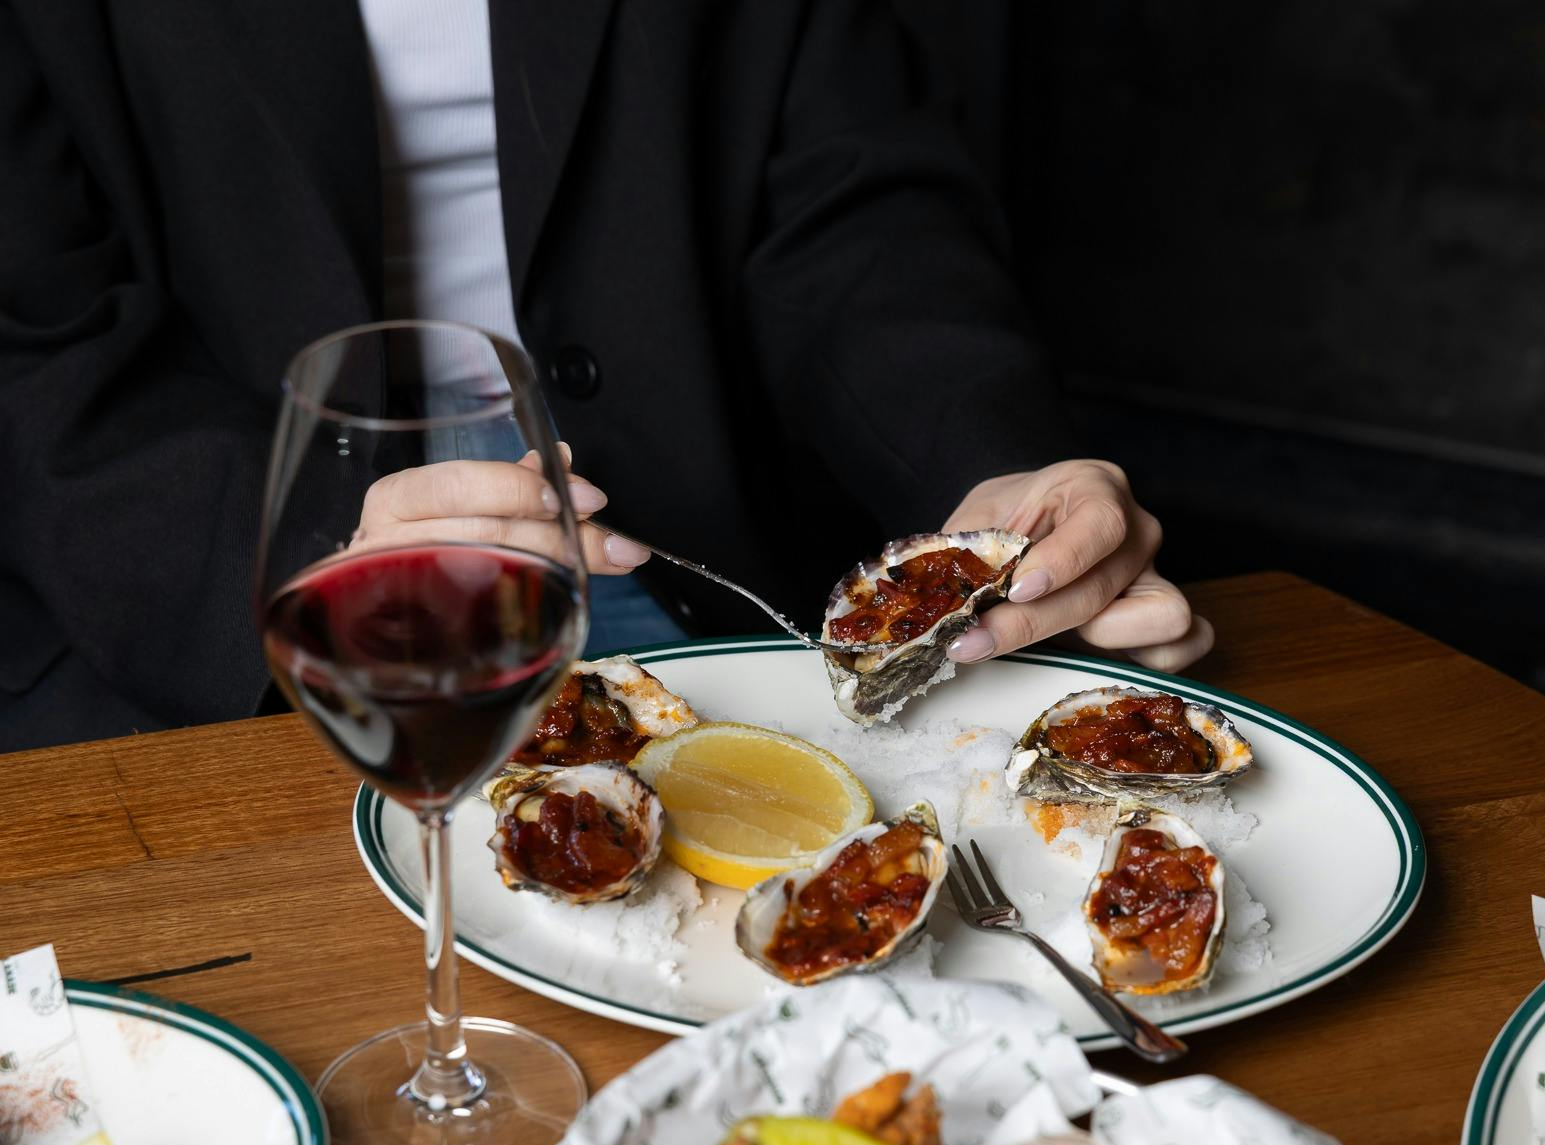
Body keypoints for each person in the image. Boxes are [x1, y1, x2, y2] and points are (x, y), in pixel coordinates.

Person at [0, 0, 1210, 753]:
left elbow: (853, 196)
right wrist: (306, 557)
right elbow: (31, 332)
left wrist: (991, 469)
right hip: (206, 593)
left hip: (698, 570)